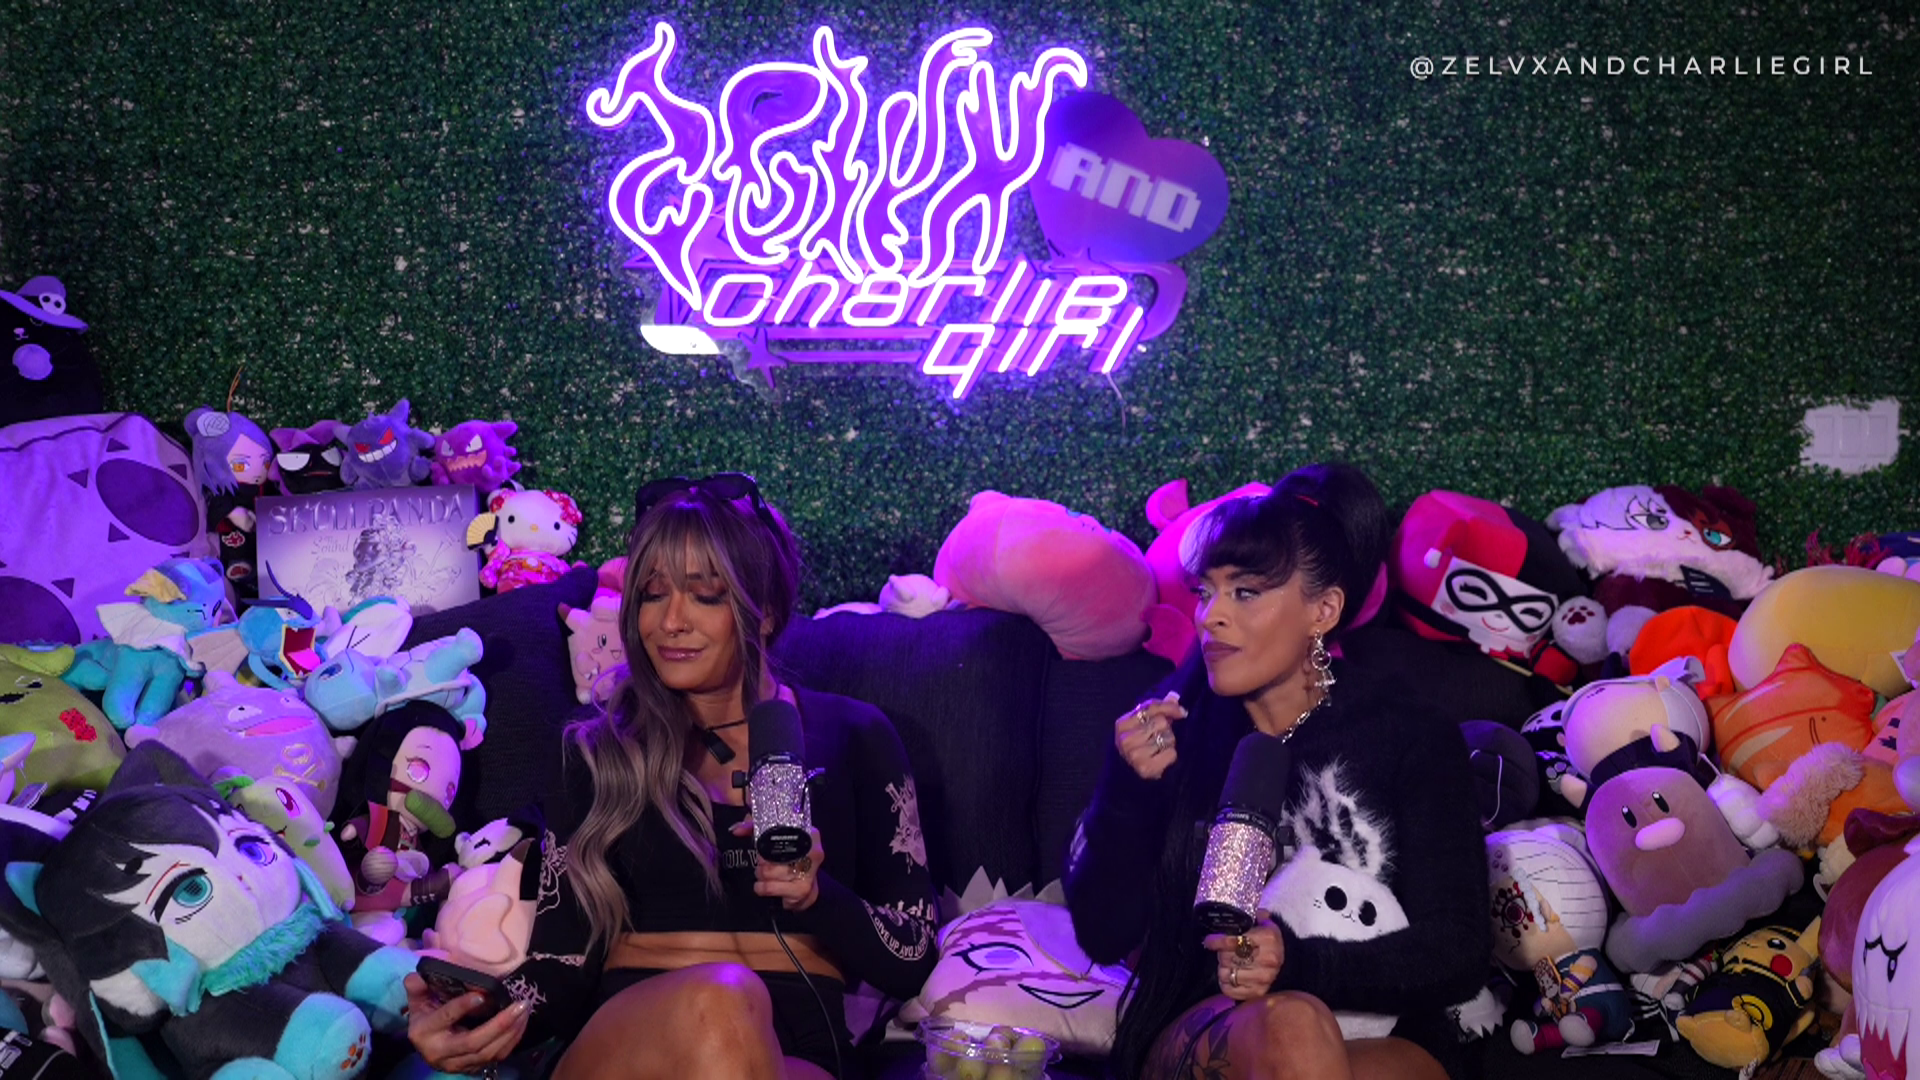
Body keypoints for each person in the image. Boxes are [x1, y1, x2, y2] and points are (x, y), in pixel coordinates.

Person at [403, 473, 940, 1079]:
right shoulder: (599, 751)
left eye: (704, 596)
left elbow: (914, 952)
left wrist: (819, 898)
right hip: (628, 1047)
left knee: (738, 1016)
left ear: (764, 611)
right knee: (723, 999)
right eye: (653, 595)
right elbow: (562, 961)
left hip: (798, 1050)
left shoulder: (857, 735)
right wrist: (473, 1017)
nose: (669, 622)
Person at [1065, 463, 1490, 1080]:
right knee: (1292, 1030)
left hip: (1383, 1030)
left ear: (1323, 610)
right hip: (1214, 1023)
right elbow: (1104, 934)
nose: (1210, 616)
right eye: (1204, 591)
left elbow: (1457, 949)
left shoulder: (1409, 733)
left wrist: (1296, 964)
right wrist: (1127, 792)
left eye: (1244, 592)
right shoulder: (1171, 728)